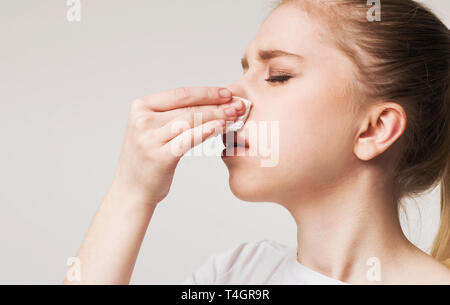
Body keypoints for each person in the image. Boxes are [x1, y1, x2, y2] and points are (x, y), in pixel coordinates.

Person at [64, 0, 450, 284]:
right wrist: (131, 191)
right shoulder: (236, 277)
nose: (233, 96)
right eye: (243, 70)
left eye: (278, 75)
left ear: (374, 129)